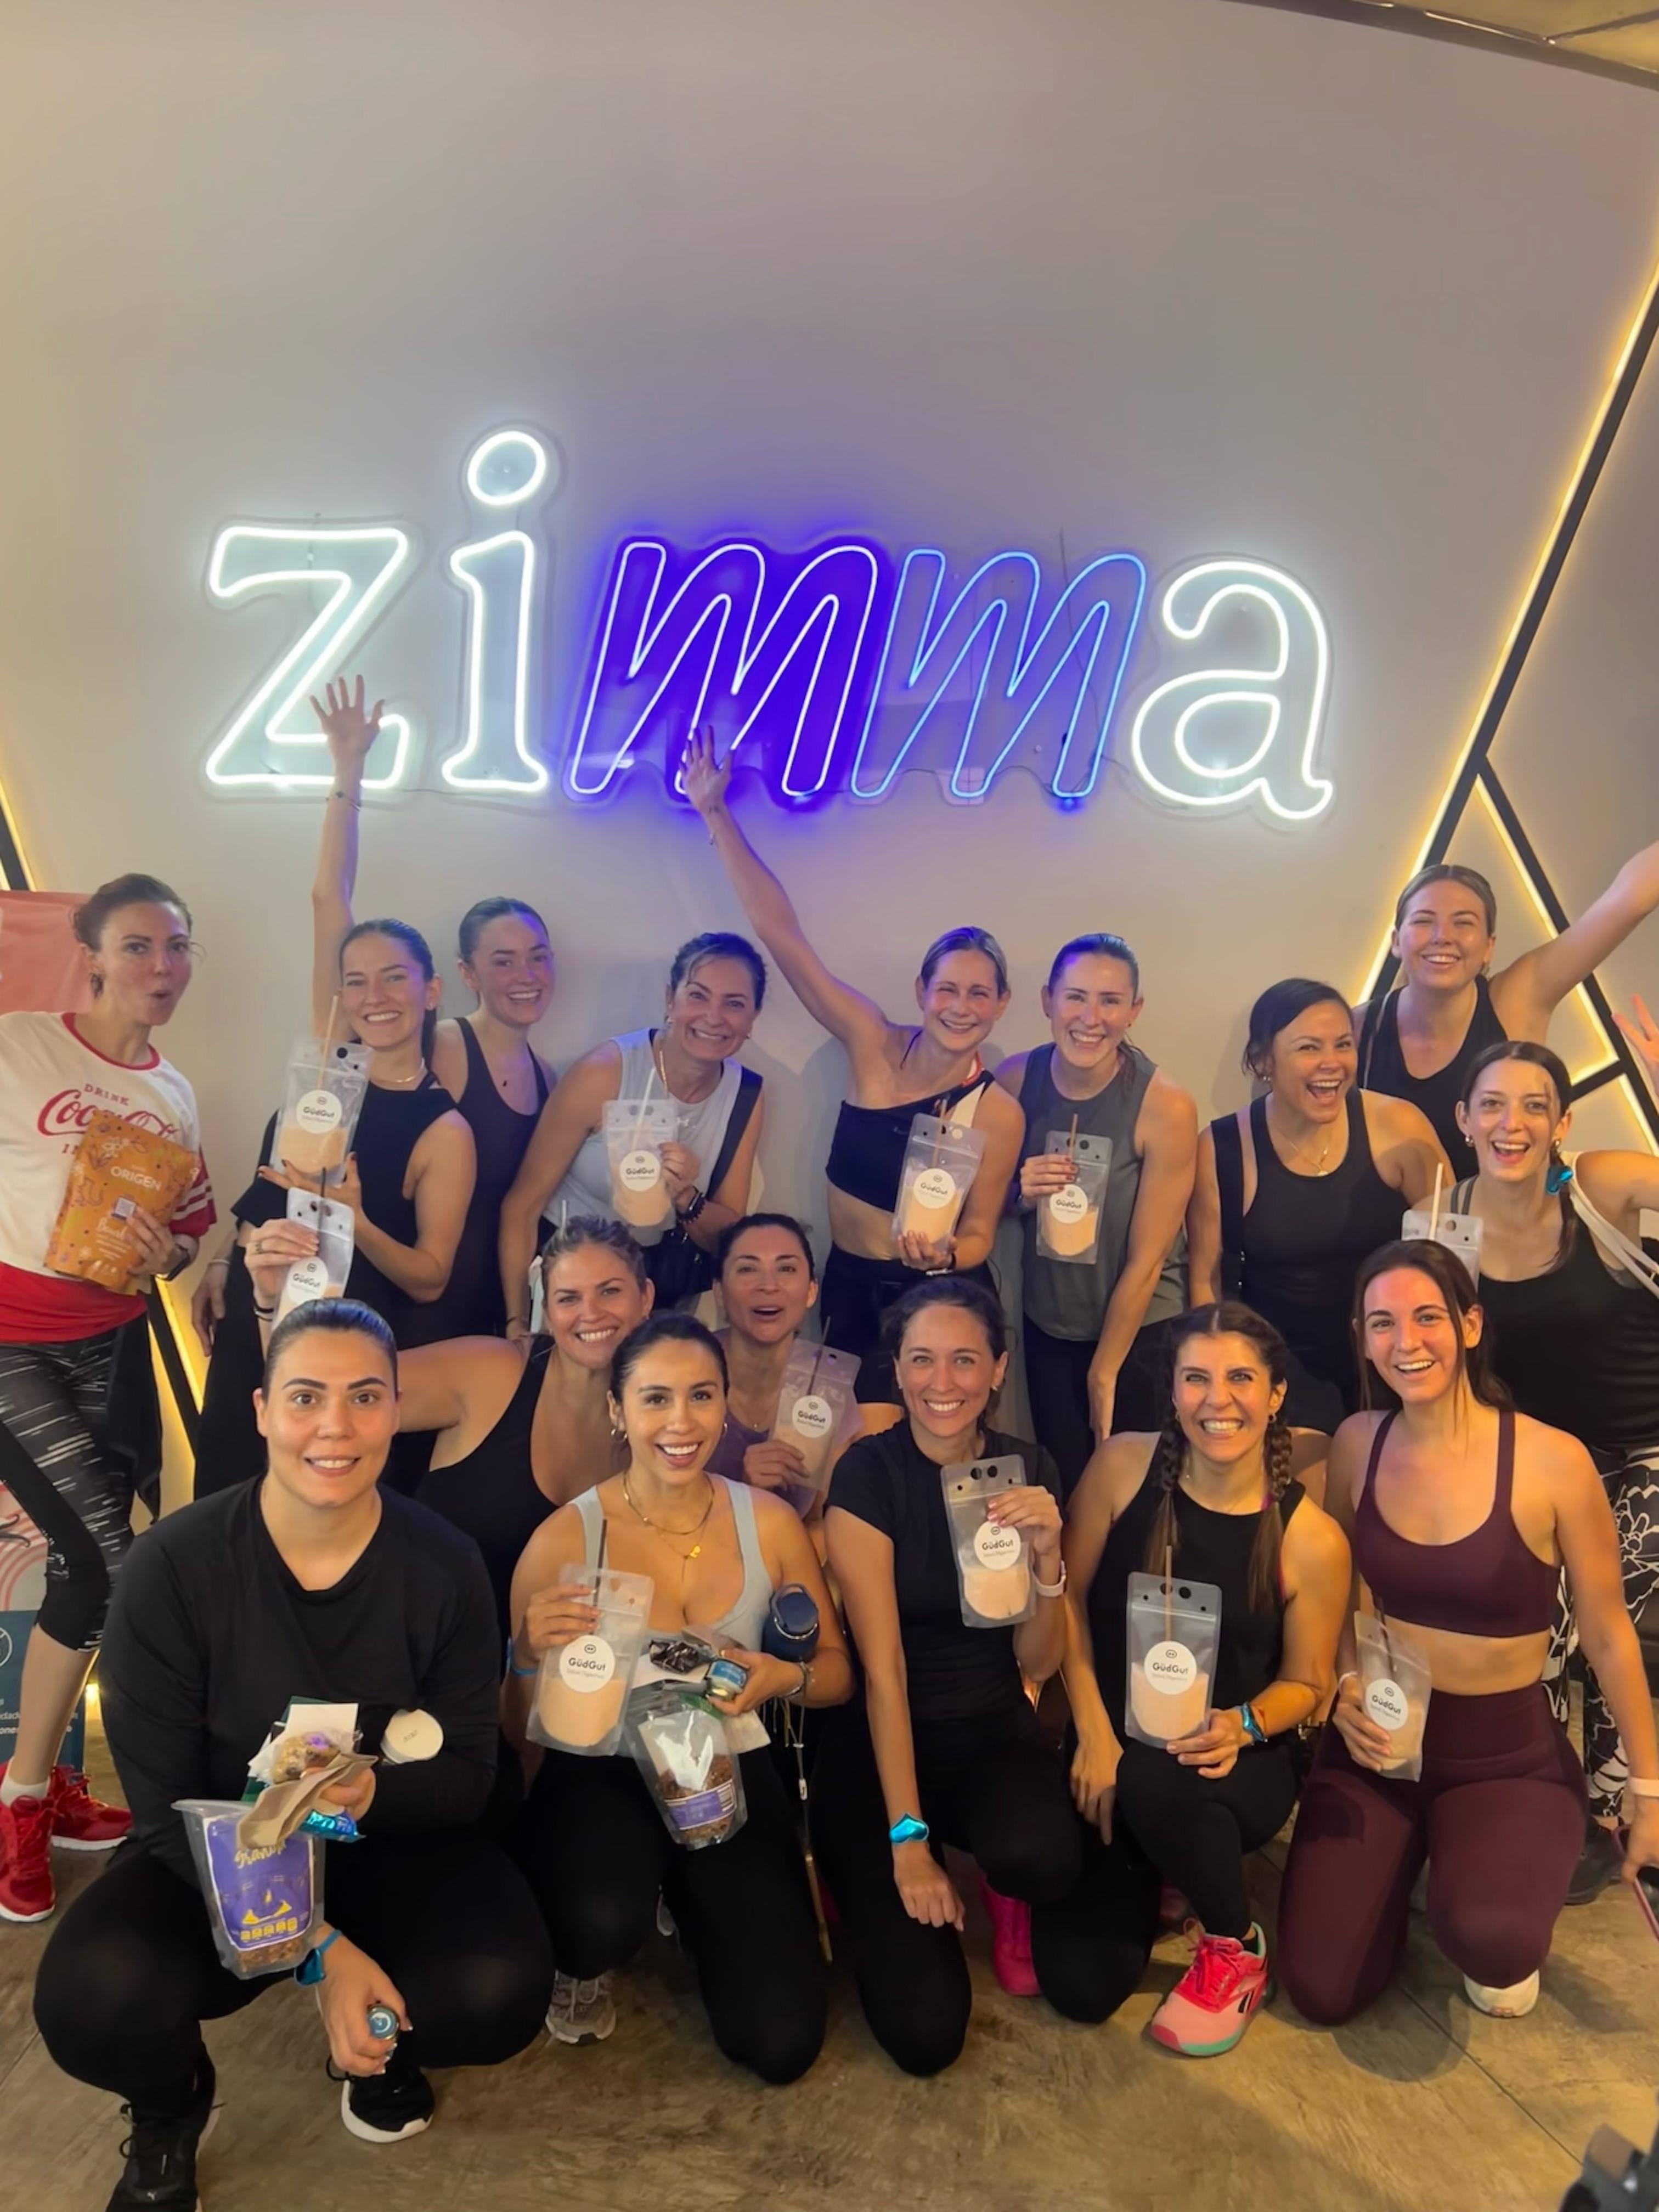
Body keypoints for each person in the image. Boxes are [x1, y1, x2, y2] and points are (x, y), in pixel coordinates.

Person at [32, 1299, 552, 2207]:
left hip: (387, 1845)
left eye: (365, 1397)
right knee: (95, 1997)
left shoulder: (446, 1565)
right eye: (307, 1396)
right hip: (221, 1848)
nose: (335, 1426)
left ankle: (377, 2048)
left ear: (397, 1411)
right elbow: (160, 1809)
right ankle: (170, 2103)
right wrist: (318, 1949)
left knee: (494, 1989)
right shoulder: (172, 1567)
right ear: (263, 1410)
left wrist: (369, 1797)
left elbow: (470, 1772)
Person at [1276, 1240, 1659, 2025]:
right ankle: (1420, 1859)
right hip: (1381, 1742)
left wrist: (1651, 1790)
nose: (1406, 1342)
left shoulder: (1552, 1461)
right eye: (1383, 1323)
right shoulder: (1357, 1441)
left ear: (1471, 1325)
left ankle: (1476, 1876)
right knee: (1320, 1989)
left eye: (1428, 1318)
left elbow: (1608, 1633)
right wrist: (1343, 1683)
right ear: (1362, 1338)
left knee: (1492, 1940)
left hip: (1505, 1757)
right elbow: (1339, 1588)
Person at [505, 1314, 851, 2070]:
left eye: (701, 1395)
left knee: (782, 2043)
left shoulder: (770, 1523)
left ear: (724, 1405)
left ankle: (689, 1899)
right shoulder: (564, 1537)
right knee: (595, 1922)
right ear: (617, 1411)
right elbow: (517, 1731)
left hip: (724, 1766)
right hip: (603, 1767)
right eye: (655, 1398)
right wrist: (526, 1658)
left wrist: (784, 1677)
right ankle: (592, 1940)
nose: (681, 1422)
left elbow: (836, 1675)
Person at [1034, 1304, 1348, 2055]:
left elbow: (1309, 1683)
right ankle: (1166, 1868)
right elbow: (1066, 1598)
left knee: (1159, 1774)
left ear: (1275, 1394)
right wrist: (1093, 1732)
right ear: (1173, 1392)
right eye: (1196, 1378)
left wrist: (1243, 1724)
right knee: (1080, 1989)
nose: (1218, 1400)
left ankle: (1235, 1945)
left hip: (1227, 1764)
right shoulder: (1121, 1468)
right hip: (1111, 1755)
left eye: (1241, 1378)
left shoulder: (1311, 1538)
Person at [684, 731, 1024, 1400]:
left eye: (979, 994)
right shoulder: (871, 1042)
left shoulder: (998, 1112)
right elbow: (782, 936)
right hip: (848, 1283)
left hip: (941, 1300)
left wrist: (950, 1253)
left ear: (1001, 1004)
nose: (961, 1007)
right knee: (842, 1441)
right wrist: (715, 813)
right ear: (922, 991)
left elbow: (983, 1230)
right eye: (947, 990)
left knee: (938, 1446)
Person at [0, 874, 216, 1925]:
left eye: (177, 946)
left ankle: (45, 1784)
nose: (162, 966)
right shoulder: (18, 1047)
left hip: (110, 1343)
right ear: (90, 956)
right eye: (138, 945)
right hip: (9, 1343)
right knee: (112, 1559)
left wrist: (165, 1250)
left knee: (79, 1571)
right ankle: (23, 1804)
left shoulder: (172, 1093)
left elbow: (191, 1235)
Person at [194, 704, 476, 1490]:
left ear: (431, 991)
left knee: (318, 1509)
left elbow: (429, 1276)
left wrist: (359, 1219)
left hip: (339, 1352)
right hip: (259, 1310)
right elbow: (328, 898)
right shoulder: (326, 1064)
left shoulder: (443, 1128)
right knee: (229, 1500)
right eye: (355, 981)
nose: (372, 996)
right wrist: (226, 1255)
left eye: (394, 978)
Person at [817, 1279, 1079, 2074]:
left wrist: (1048, 1561)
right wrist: (907, 1842)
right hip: (879, 1743)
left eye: (965, 1360)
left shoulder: (1029, 1469)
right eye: (922, 1360)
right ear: (897, 1370)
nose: (943, 1382)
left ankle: (996, 1878)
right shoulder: (868, 1475)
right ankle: (862, 1875)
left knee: (1046, 1857)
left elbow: (1039, 1663)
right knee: (926, 2035)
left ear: (998, 1369)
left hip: (989, 1726)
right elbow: (883, 1672)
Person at [1446, 1037, 1659, 1899]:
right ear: (1463, 1119)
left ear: (1563, 1123)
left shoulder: (1602, 1189)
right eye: (1493, 1104)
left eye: (1535, 1106)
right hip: (1536, 1468)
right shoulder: (1441, 1220)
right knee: (1530, 1625)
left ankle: (1613, 1810)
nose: (1513, 1124)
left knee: (1597, 1617)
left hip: (1644, 1454)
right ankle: (1551, 1800)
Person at [244, 1215, 653, 1645]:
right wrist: (271, 1301)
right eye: (569, 1298)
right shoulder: (492, 1373)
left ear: (645, 1298)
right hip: (395, 1640)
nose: (591, 1313)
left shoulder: (650, 1425)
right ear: (548, 1312)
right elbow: (322, 1388)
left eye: (610, 1291)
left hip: (527, 1672)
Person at [297, 677, 557, 1336]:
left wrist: (518, 1317)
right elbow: (331, 903)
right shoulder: (431, 1044)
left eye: (538, 956)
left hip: (482, 1308)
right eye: (503, 960)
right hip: (397, 1302)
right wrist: (348, 770)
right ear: (463, 976)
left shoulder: (547, 1077)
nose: (525, 976)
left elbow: (522, 1213)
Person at [1187, 978, 1448, 1434]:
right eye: (1309, 1048)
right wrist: (1218, 1377)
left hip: (1394, 1351)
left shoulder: (1399, 1124)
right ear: (1263, 1060)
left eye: (1343, 1044)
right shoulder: (1222, 1147)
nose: (1332, 1063)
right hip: (1278, 1365)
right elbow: (1206, 1281)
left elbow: (1451, 1256)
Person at [995, 932, 1196, 1493]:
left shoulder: (1166, 1105)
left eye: (1110, 1001)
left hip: (1141, 1328)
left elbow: (1149, 1259)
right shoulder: (1014, 1080)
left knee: (1136, 1492)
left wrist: (1105, 1369)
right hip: (1050, 1322)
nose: (1091, 1018)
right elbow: (987, 1203)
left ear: (1134, 1010)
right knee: (1068, 1486)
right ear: (1048, 1001)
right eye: (1076, 997)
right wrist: (1020, 1194)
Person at [498, 934, 765, 1322]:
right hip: (571, 1284)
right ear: (670, 1000)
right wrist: (517, 1324)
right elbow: (521, 1207)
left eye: (735, 1004)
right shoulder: (605, 1072)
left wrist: (685, 1196)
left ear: (753, 1018)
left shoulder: (745, 1094)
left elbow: (728, 1239)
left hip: (656, 1294)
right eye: (698, 996)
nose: (713, 1016)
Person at [1356, 839, 1659, 1173]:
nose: (1442, 936)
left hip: (1515, 1207)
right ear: (1396, 941)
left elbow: (1629, 899)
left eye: (1463, 923)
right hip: (1393, 1210)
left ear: (1489, 947)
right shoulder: (1356, 1030)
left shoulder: (1516, 1000)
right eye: (1424, 921)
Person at [706, 1211, 876, 1515]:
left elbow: (824, 1523)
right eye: (747, 1269)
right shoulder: (688, 1371)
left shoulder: (828, 1386)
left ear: (811, 1291)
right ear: (719, 1292)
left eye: (786, 1269)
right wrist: (745, 1496)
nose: (769, 1285)